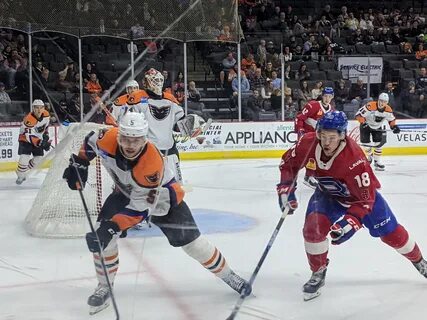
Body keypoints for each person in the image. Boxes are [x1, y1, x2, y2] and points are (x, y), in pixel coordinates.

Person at [62, 113, 251, 315]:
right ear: (119, 136)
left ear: (145, 139)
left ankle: (229, 275)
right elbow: (89, 142)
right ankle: (104, 285)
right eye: (126, 139)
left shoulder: (151, 165)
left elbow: (141, 208)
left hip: (163, 200)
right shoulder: (106, 138)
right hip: (125, 193)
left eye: (136, 140)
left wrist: (113, 227)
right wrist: (80, 162)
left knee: (194, 246)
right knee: (103, 241)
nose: (130, 145)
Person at [277, 111, 427, 301]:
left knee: (392, 234)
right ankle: (318, 272)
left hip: (362, 200)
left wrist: (350, 222)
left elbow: (365, 200)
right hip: (327, 195)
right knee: (312, 230)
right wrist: (285, 190)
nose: (326, 142)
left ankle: (419, 261)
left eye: (332, 137)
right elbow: (288, 164)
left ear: (342, 136)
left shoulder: (355, 159)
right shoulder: (307, 143)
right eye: (323, 136)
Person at [294, 87, 334, 188]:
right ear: (322, 96)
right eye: (325, 96)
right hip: (307, 135)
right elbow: (299, 118)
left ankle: (312, 176)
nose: (327, 99)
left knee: (319, 156)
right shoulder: (313, 105)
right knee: (309, 155)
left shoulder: (332, 110)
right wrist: (300, 131)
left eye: (329, 97)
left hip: (319, 137)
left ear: (332, 97)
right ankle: (306, 176)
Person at [355, 93, 400, 171]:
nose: (382, 103)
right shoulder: (370, 106)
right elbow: (358, 115)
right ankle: (370, 155)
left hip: (377, 127)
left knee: (378, 145)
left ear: (387, 103)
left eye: (384, 102)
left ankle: (377, 161)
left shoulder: (388, 110)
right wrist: (363, 122)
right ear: (378, 100)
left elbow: (391, 120)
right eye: (381, 101)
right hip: (366, 125)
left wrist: (394, 126)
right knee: (366, 145)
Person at [15, 99, 51, 185]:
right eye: (36, 108)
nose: (39, 110)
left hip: (38, 138)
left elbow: (45, 127)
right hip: (25, 139)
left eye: (41, 108)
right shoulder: (29, 119)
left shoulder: (46, 114)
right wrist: (40, 143)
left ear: (43, 108)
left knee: (38, 160)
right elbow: (29, 136)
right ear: (33, 108)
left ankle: (22, 169)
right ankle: (20, 174)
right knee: (24, 157)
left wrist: (45, 137)